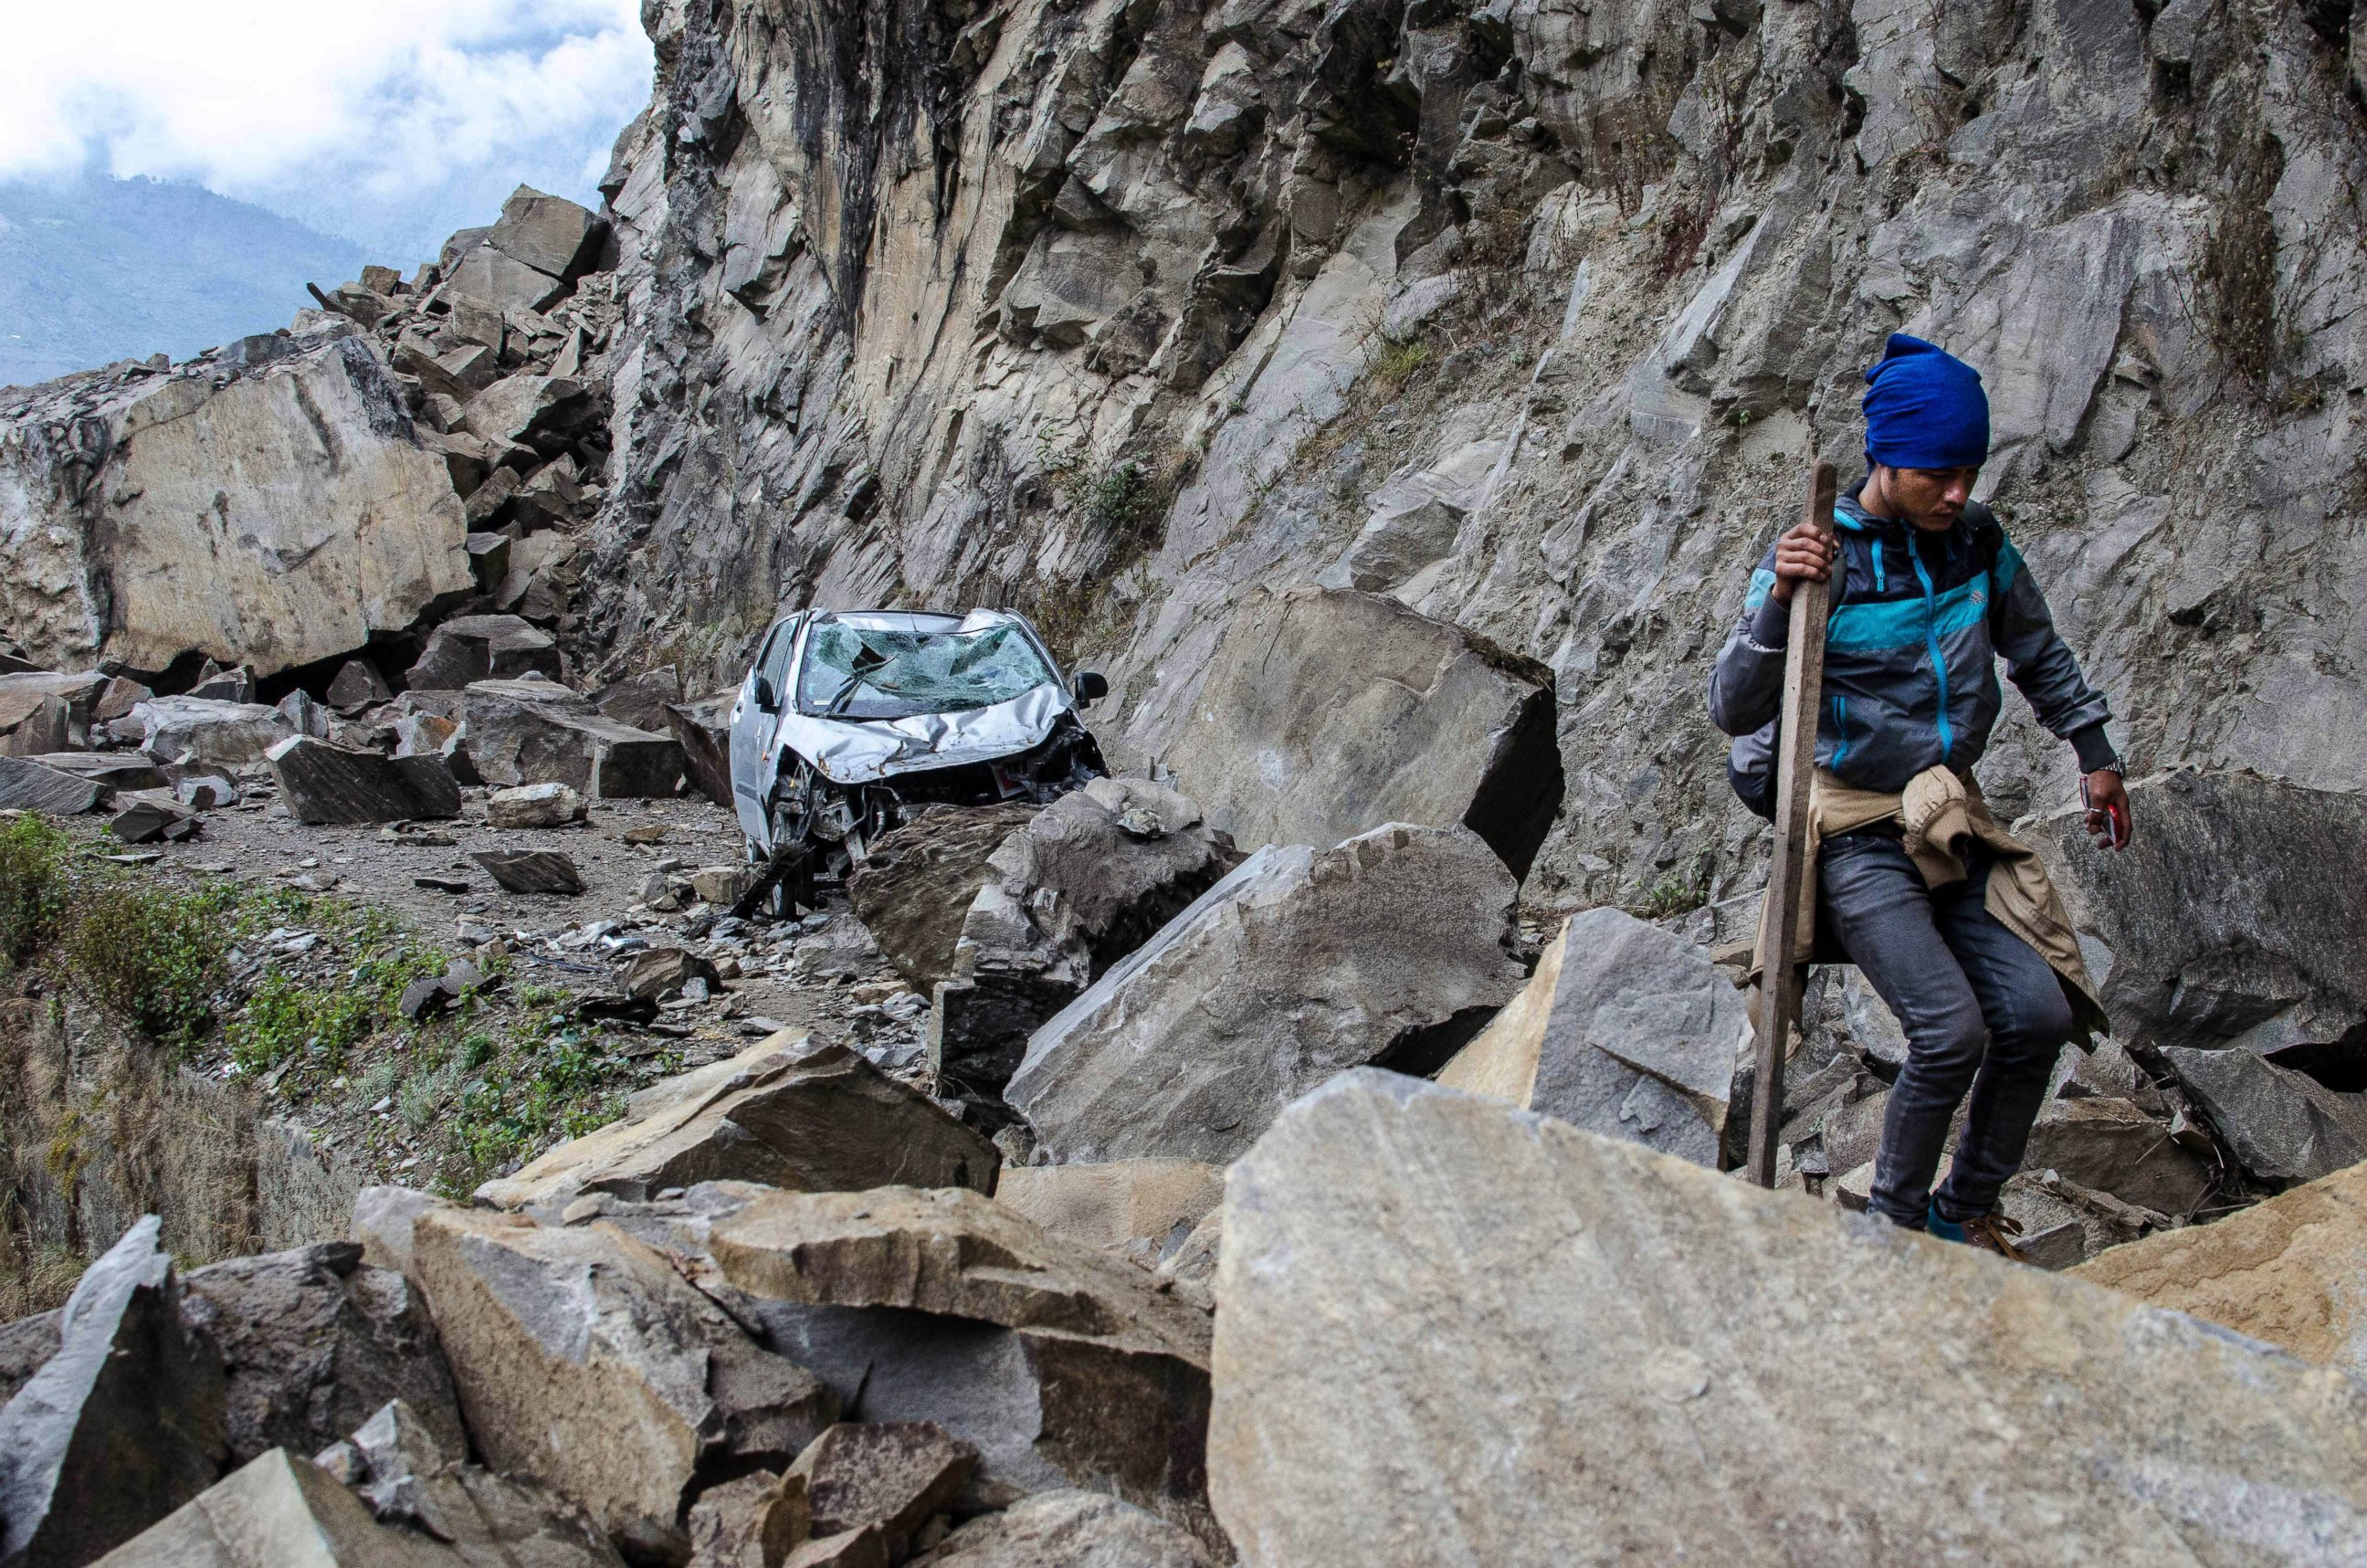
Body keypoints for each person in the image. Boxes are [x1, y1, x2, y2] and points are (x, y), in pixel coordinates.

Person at [1708, 333, 2130, 1257]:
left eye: (1968, 472)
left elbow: (2039, 653)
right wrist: (1782, 598)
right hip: (1854, 834)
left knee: (2040, 1013)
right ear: (1887, 460)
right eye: (1939, 474)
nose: (1957, 492)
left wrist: (2095, 752)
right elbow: (1734, 703)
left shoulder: (1975, 543)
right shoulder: (1822, 558)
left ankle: (1960, 1207)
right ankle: (1893, 1239)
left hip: (1947, 815)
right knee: (1950, 1030)